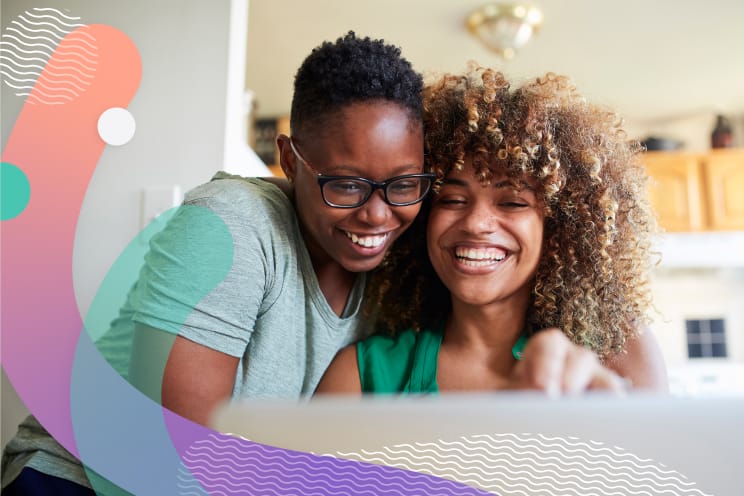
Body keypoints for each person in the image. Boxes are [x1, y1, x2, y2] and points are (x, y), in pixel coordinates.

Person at [2, 31, 431, 495]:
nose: (377, 214)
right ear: (289, 159)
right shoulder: (230, 224)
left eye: (404, 185)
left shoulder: (395, 271)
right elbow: (169, 457)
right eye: (346, 185)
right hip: (77, 478)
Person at [316, 65, 669, 395]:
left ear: (559, 226)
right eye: (452, 199)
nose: (475, 223)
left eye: (512, 203)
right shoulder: (362, 377)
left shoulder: (620, 353)